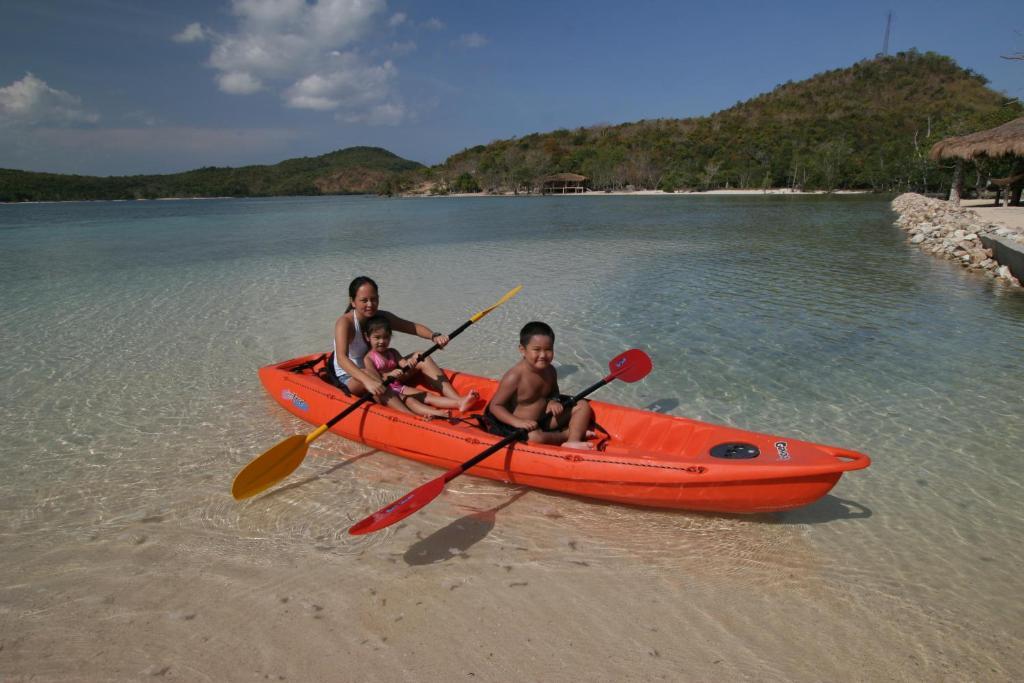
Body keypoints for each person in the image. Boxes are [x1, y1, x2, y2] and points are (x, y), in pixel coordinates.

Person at [332, 276, 468, 404]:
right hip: (353, 378)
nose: (370, 304)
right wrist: (367, 381)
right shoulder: (345, 323)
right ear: (352, 301)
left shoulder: (381, 317)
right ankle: (410, 415)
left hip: (381, 373)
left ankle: (458, 400)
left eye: (374, 299)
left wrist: (434, 336)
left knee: (422, 357)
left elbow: (412, 327)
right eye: (364, 300)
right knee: (369, 373)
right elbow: (342, 358)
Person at [483, 321, 594, 449]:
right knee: (535, 438)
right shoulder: (515, 376)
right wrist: (518, 422)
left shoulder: (550, 370)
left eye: (548, 349)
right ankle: (566, 435)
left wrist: (554, 401)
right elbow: (495, 406)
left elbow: (554, 391)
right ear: (522, 350)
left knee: (582, 405)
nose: (543, 355)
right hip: (525, 427)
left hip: (545, 419)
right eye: (536, 350)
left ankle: (573, 441)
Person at [361, 315, 479, 418]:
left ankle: (459, 403)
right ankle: (431, 414)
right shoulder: (369, 358)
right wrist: (389, 375)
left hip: (398, 386)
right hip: (387, 391)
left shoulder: (392, 352)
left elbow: (404, 364)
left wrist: (411, 362)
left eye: (386, 337)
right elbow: (374, 378)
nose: (382, 341)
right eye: (377, 337)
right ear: (367, 337)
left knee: (426, 396)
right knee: (411, 400)